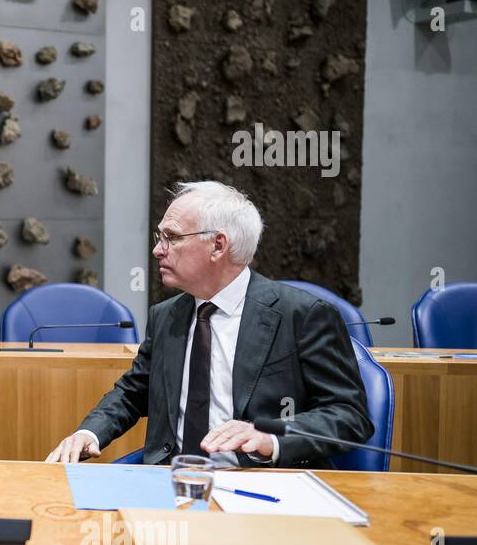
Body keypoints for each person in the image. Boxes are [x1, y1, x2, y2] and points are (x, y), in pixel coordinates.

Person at [47, 181, 372, 469]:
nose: (157, 250)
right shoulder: (165, 316)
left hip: (263, 482)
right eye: (159, 237)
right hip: (169, 479)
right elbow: (134, 393)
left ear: (218, 245)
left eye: (171, 238)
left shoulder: (302, 314)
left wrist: (270, 440)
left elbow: (348, 416)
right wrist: (88, 433)